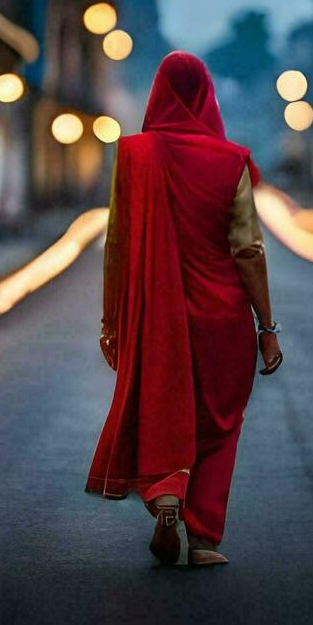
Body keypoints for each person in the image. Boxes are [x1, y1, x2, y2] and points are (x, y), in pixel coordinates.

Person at [86, 51, 281, 567]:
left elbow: (118, 244)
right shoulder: (230, 161)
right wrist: (267, 326)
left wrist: (112, 321)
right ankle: (201, 537)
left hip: (156, 316)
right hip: (223, 319)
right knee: (220, 420)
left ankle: (167, 493)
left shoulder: (134, 155)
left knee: (162, 406)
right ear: (207, 98)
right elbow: (248, 249)